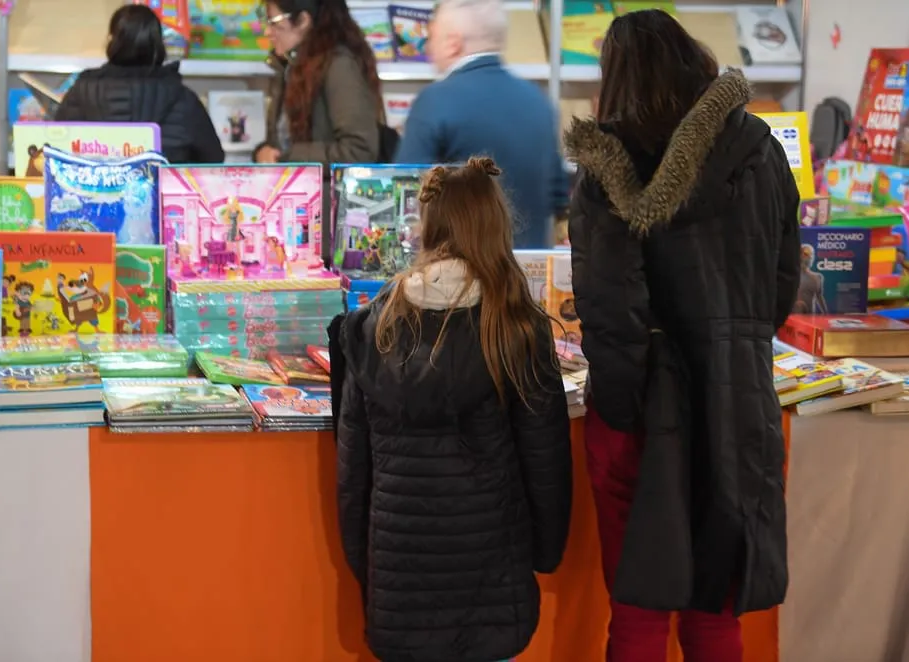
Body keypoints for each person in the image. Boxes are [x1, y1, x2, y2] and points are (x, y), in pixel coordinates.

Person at [565, 10, 800, 662]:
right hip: (738, 402)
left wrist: (623, 405)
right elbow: (781, 285)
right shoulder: (758, 148)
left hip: (643, 412)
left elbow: (609, 309)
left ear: (616, 77)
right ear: (692, 60)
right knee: (714, 610)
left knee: (638, 611)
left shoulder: (609, 164)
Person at [333, 157, 573, 662]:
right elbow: (545, 460)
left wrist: (366, 566)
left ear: (427, 227)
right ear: (493, 226)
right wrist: (546, 552)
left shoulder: (374, 328)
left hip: (400, 588)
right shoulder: (516, 330)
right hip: (493, 584)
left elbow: (353, 473)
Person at [394, 0, 569, 249]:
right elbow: (558, 195)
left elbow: (406, 191)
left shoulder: (435, 101)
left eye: (431, 37)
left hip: (463, 274)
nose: (428, 47)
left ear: (453, 42)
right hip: (529, 276)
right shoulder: (539, 102)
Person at [55, 5, 223, 164]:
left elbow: (55, 149)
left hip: (91, 193)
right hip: (164, 192)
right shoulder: (182, 97)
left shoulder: (82, 90)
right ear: (158, 44)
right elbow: (214, 159)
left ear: (112, 41)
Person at [253, 0, 381, 166]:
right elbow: (281, 141)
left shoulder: (339, 66)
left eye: (273, 22)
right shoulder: (289, 66)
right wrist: (263, 152)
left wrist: (287, 157)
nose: (267, 31)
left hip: (326, 189)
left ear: (303, 21)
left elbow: (359, 150)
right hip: (296, 187)